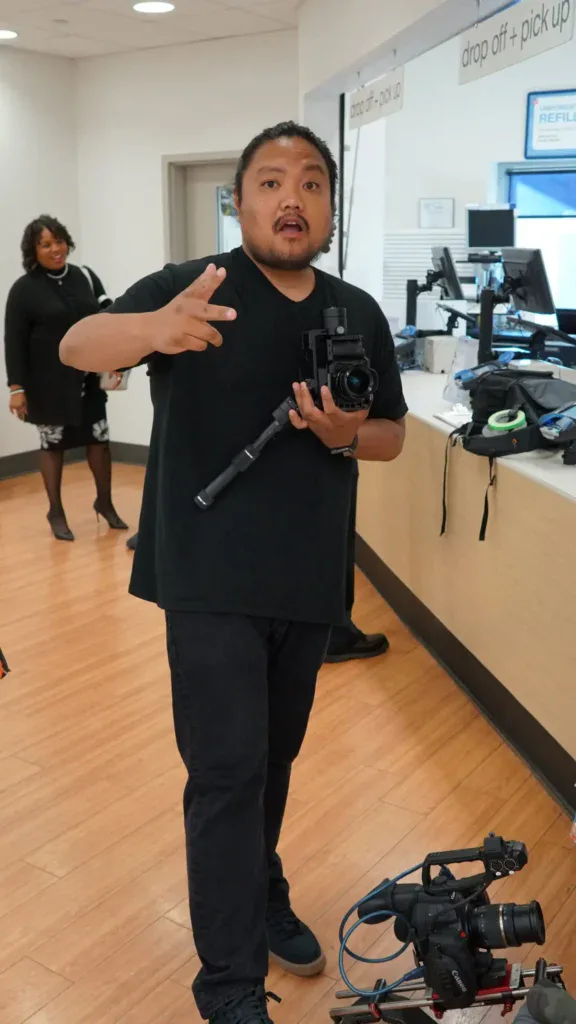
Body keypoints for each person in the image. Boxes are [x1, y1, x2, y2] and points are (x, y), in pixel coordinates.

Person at [60, 121, 407, 1024]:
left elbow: (393, 437)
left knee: (274, 762)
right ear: (243, 199)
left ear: (331, 205)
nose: (291, 197)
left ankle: (260, 886)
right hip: (209, 576)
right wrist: (152, 330)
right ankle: (228, 990)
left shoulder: (357, 310)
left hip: (307, 580)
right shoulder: (195, 286)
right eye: (269, 182)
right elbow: (76, 345)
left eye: (311, 183)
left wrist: (343, 436)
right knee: (226, 774)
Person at [4, 215, 127, 541]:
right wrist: (17, 388)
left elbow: (106, 316)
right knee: (53, 447)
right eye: (45, 244)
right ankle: (55, 511)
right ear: (34, 250)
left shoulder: (85, 276)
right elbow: (13, 341)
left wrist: (117, 358)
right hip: (47, 385)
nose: (55, 249)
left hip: (88, 380)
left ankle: (104, 502)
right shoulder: (24, 289)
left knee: (99, 443)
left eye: (58, 241)